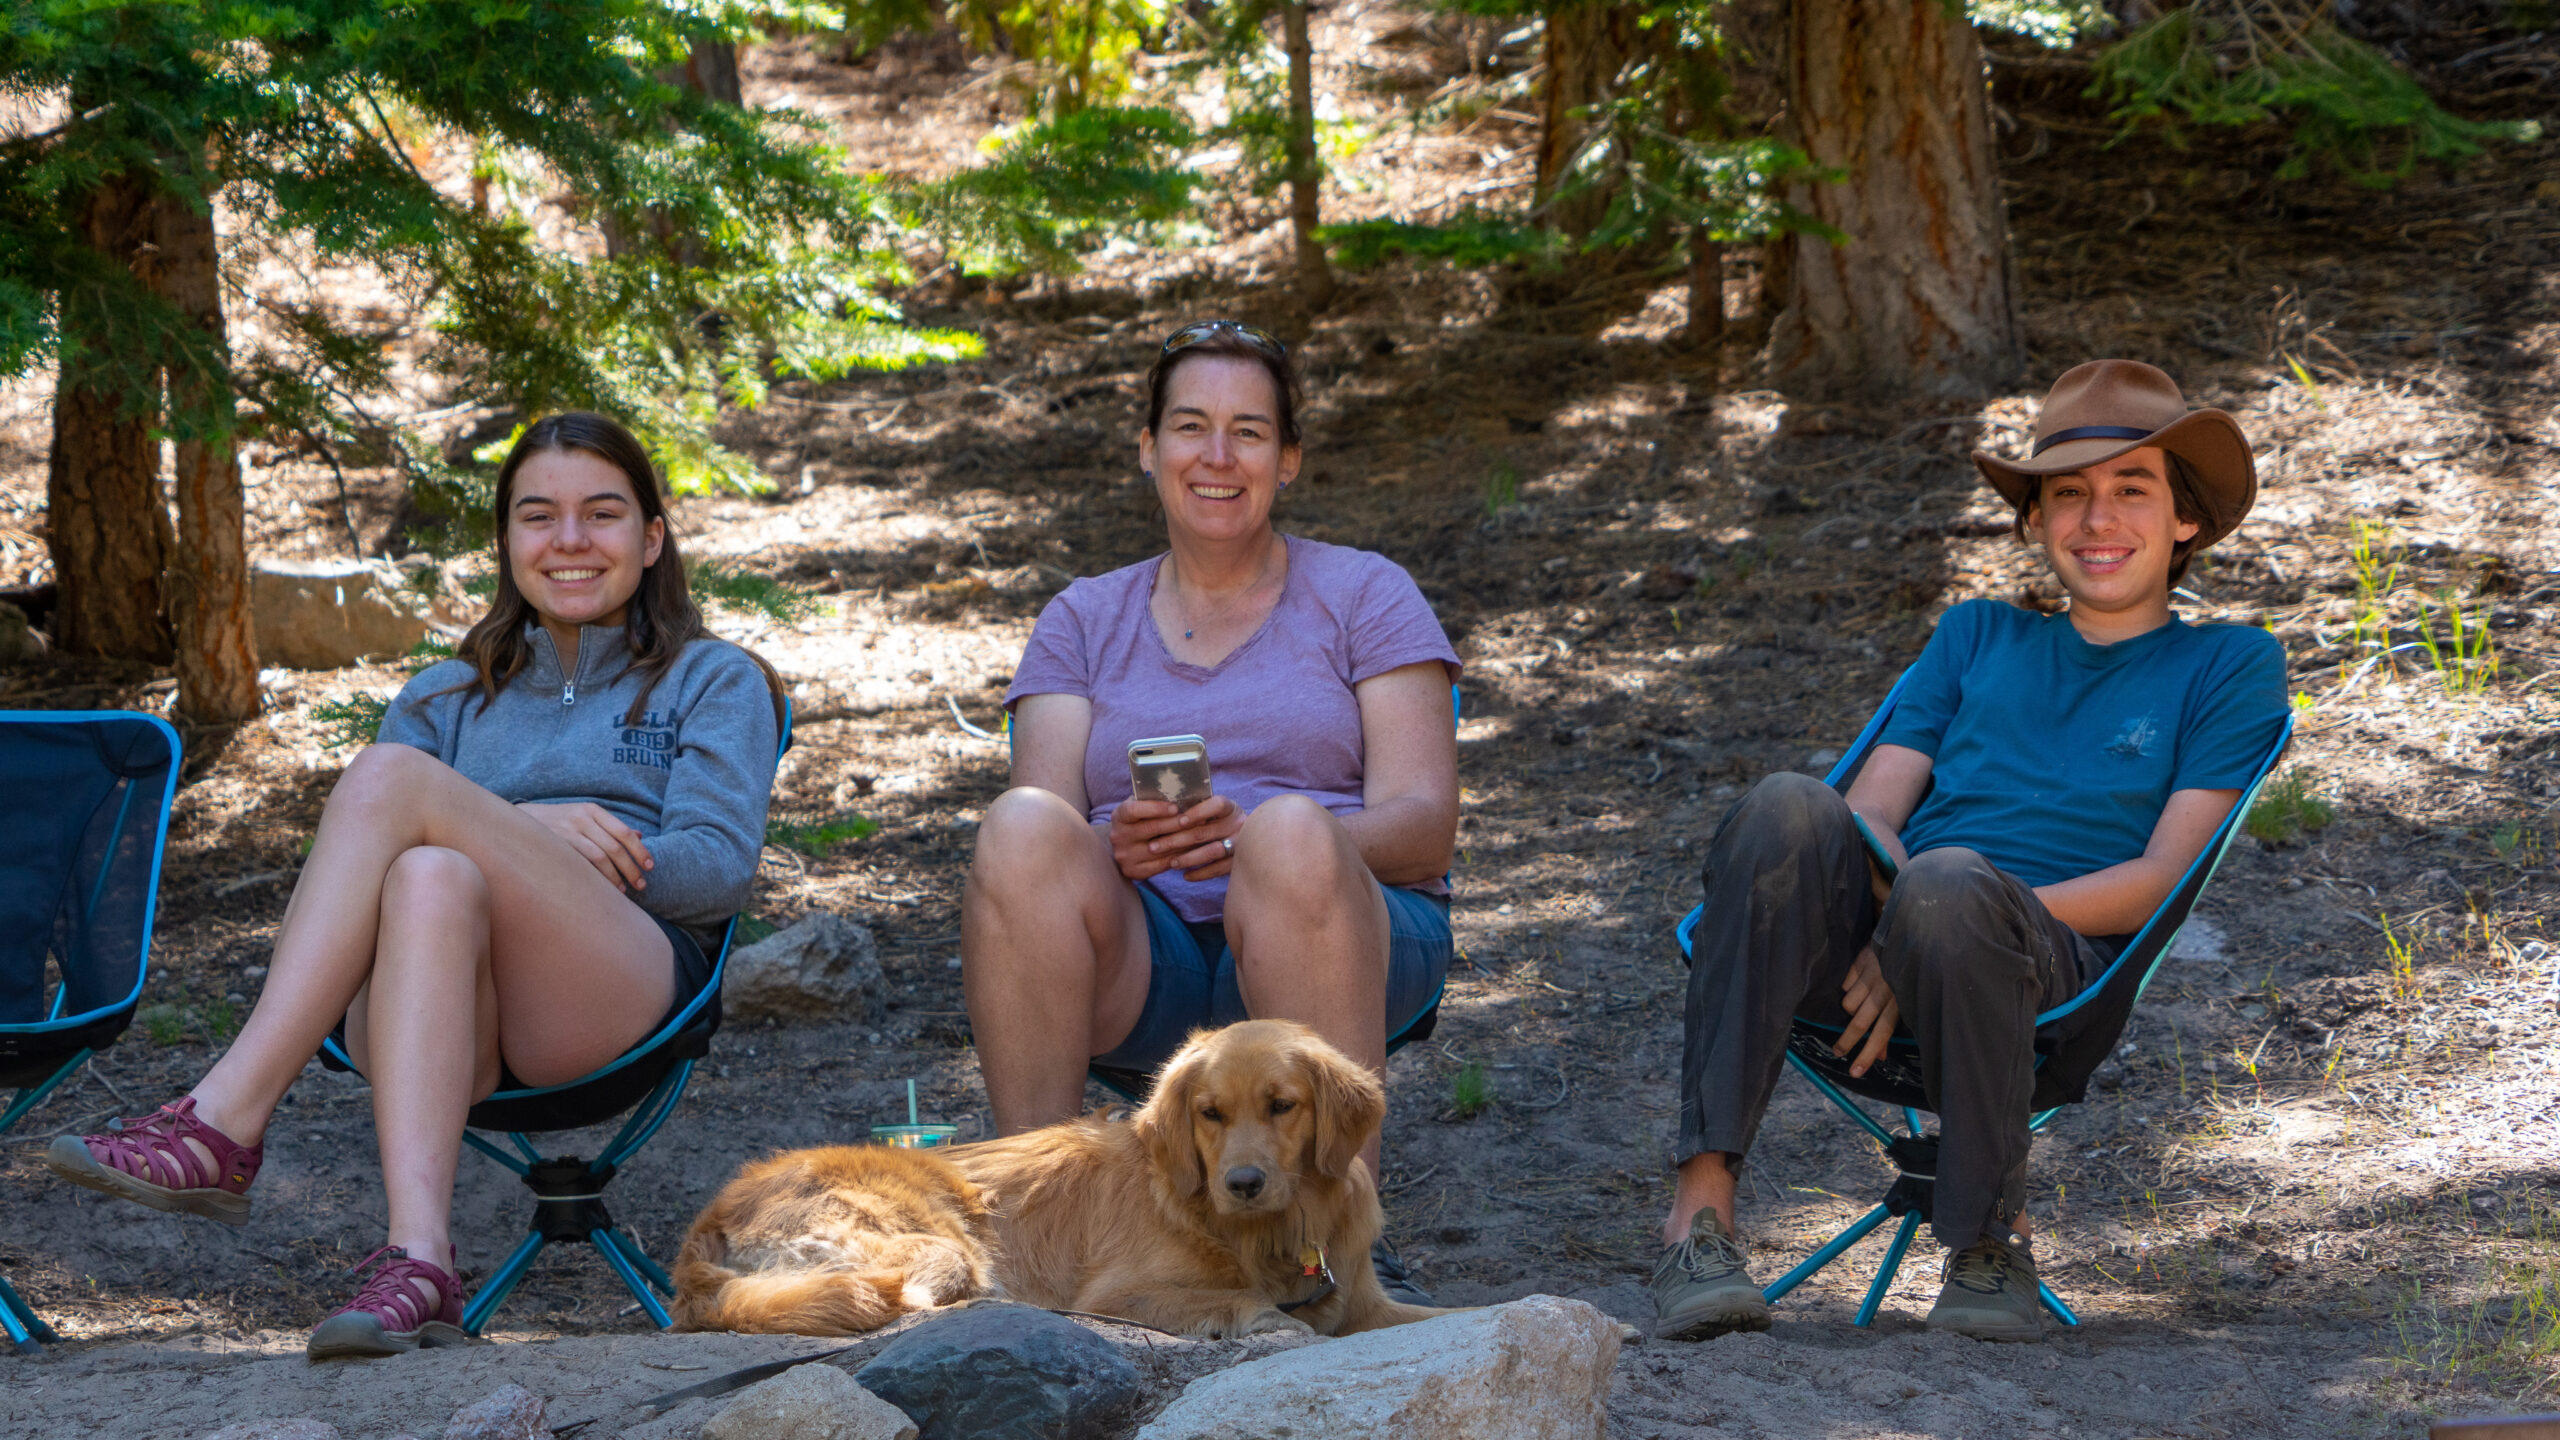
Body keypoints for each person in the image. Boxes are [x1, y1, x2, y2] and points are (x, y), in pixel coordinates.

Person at [45, 412, 782, 1359]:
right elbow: (370, 871)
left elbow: (717, 869)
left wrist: (530, 843)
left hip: (604, 996)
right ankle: (420, 1263)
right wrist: (524, 828)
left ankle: (222, 1122)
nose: (568, 541)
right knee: (429, 871)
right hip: (432, 1014)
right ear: (506, 540)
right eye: (537, 516)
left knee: (394, 785)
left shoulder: (711, 679)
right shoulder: (443, 694)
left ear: (650, 539)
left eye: (600, 514)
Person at [1650, 360, 2287, 1342]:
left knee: (1948, 886)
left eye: (2131, 491)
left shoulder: (2227, 665)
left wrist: (1931, 919)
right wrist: (1902, 926)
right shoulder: (1974, 636)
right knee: (1787, 806)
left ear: (2185, 520)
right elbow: (1865, 817)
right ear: (2033, 520)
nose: (2095, 518)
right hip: (1876, 960)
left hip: (2047, 983)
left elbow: (2156, 883)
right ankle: (1699, 1222)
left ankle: (1989, 1244)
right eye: (2066, 495)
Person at [962, 319, 1460, 1305]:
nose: (1218, 457)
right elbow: (1047, 823)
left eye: (1249, 431)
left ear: (1289, 459)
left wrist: (1255, 837)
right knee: (1018, 830)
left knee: (1285, 834)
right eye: (1191, 427)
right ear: (1149, 450)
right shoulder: (1082, 618)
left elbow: (1422, 825)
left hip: (1338, 922)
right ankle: (1032, 1237)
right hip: (1143, 953)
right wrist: (1119, 843)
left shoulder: (1366, 593)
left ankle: (1330, 1251)